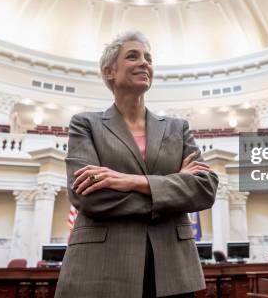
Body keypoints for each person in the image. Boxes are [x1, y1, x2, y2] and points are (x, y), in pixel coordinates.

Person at [54, 31, 218, 298]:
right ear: (109, 71)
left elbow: (205, 189)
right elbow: (88, 197)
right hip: (101, 267)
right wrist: (171, 191)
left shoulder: (178, 128)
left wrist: (132, 181)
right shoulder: (85, 124)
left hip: (172, 269)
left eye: (148, 58)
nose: (145, 63)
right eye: (133, 56)